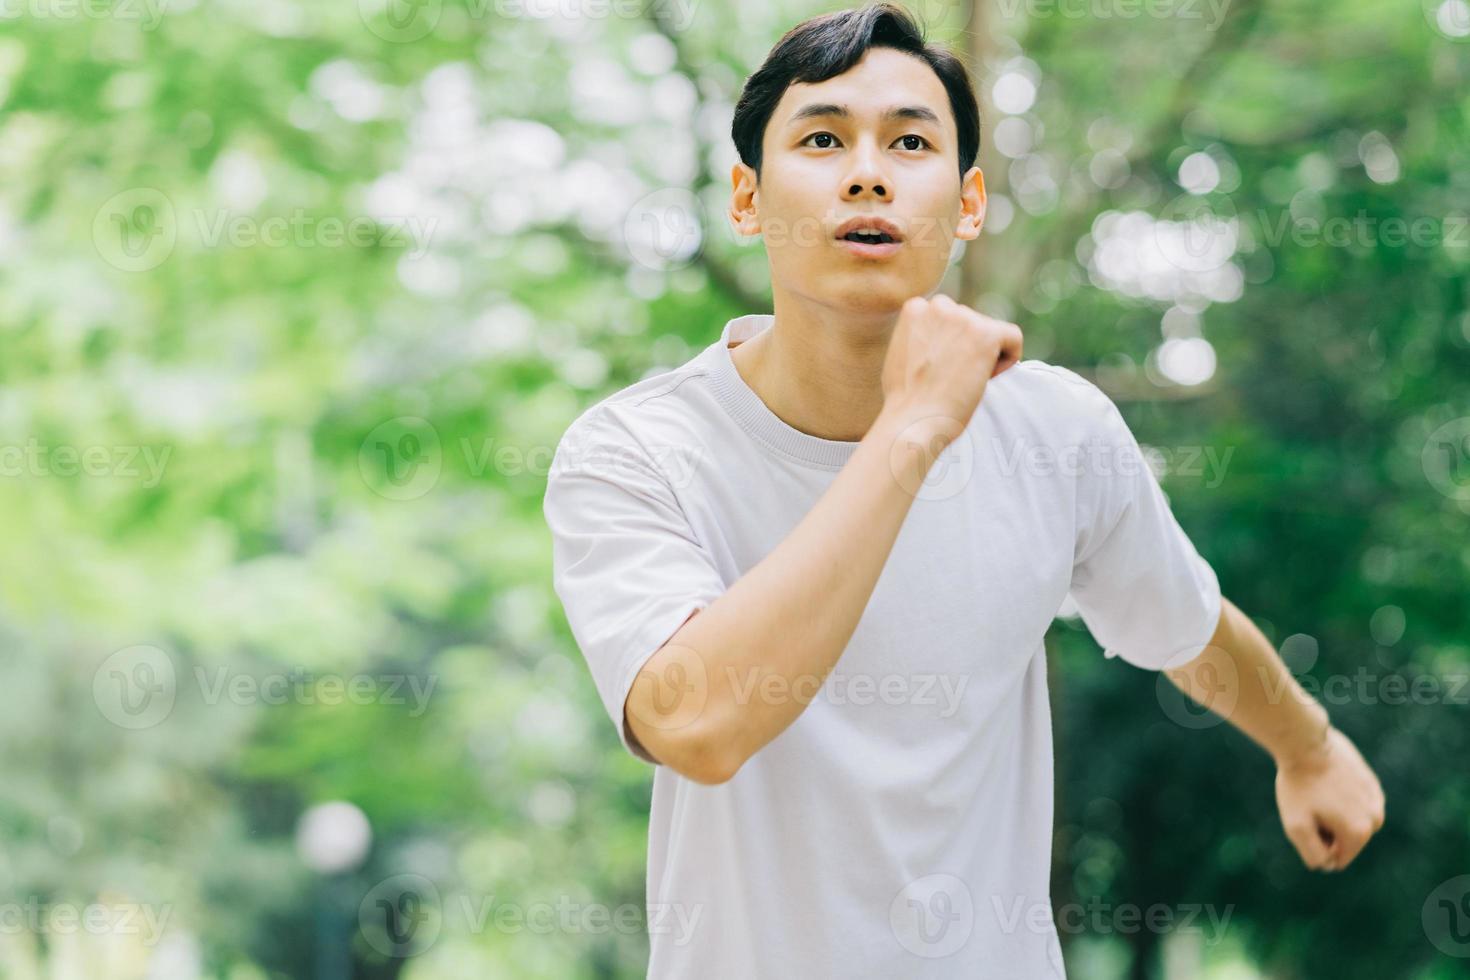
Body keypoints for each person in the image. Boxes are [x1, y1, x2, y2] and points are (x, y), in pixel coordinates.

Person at [543, 5, 1386, 977]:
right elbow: (694, 721)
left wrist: (1310, 747)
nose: (868, 170)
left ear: (969, 201)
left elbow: (1188, 627)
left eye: (910, 140)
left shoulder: (1053, 430)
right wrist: (912, 430)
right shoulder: (636, 449)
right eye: (822, 138)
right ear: (746, 200)